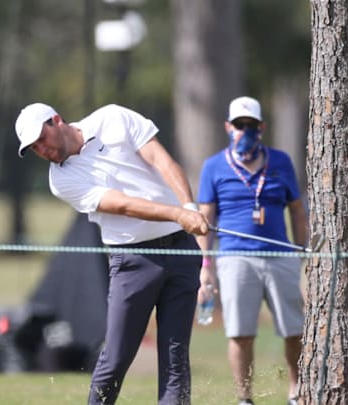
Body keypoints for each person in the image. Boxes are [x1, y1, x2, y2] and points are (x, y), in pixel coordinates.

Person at [15, 102, 210, 405]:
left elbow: (160, 159)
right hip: (133, 262)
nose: (42, 149)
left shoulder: (113, 118)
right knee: (117, 357)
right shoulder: (61, 180)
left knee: (175, 356)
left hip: (181, 250)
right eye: (34, 147)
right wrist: (177, 214)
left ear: (56, 120)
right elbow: (122, 204)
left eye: (42, 138)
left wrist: (188, 207)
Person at [196, 96, 307, 405]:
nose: (245, 131)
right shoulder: (213, 166)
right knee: (241, 333)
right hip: (235, 257)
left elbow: (297, 210)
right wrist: (206, 266)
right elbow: (206, 218)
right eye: (239, 125)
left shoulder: (281, 161)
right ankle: (244, 398)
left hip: (280, 256)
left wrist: (302, 252)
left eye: (251, 126)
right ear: (228, 127)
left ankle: (297, 392)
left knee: (294, 330)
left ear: (262, 128)